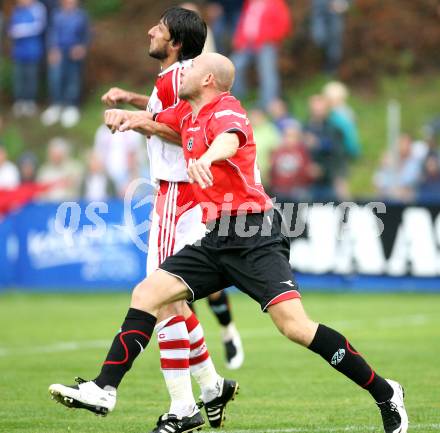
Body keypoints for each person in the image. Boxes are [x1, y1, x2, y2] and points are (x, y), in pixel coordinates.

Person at [50, 52, 408, 433]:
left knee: (296, 328)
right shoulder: (187, 113)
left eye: (189, 69)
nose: (181, 71)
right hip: (215, 237)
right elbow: (154, 120)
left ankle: (386, 392)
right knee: (148, 293)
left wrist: (207, 156)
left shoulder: (227, 108)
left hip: (256, 235)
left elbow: (230, 139)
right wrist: (127, 115)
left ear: (207, 80)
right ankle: (105, 388)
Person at [99, 8, 241, 432]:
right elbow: (172, 114)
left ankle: (182, 406)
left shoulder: (176, 77)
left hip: (177, 193)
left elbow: (179, 130)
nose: (150, 31)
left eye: (159, 28)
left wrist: (135, 121)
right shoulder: (180, 79)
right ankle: (212, 386)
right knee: (174, 301)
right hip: (189, 195)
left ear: (175, 41)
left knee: (159, 300)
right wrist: (134, 103)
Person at [231, 0, 291, 109]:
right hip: (247, 44)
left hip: (266, 44)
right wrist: (239, 40)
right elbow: (243, 23)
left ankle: (268, 103)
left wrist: (269, 38)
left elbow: (284, 24)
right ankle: (240, 97)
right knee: (234, 65)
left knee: (267, 71)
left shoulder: (276, 3)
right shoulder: (250, 2)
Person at [41, 0, 89, 128]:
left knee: (73, 80)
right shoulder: (55, 14)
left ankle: (71, 107)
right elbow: (51, 33)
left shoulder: (81, 15)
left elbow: (86, 35)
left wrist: (81, 47)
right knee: (55, 79)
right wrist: (52, 49)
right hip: (58, 52)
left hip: (74, 53)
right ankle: (56, 105)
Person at [8, 0, 47, 117]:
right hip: (18, 52)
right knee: (19, 77)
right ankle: (20, 101)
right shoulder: (17, 10)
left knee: (31, 77)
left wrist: (21, 30)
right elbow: (11, 27)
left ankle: (30, 102)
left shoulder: (38, 8)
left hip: (32, 51)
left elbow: (40, 26)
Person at [310, 0, 352, 75]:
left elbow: (348, 3)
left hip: (335, 12)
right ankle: (323, 58)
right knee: (319, 38)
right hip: (319, 11)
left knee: (335, 38)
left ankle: (331, 67)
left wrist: (344, 4)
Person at [36, 137, 83, 201]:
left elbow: (78, 186)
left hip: (68, 205)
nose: (56, 156)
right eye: (53, 153)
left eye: (59, 153)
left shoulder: (74, 168)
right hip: (48, 206)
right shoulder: (44, 171)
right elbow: (40, 192)